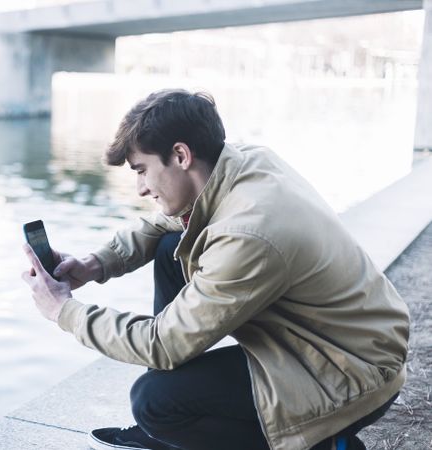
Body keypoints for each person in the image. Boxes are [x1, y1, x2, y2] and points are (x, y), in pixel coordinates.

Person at [21, 89, 409, 450]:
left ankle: (321, 442)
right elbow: (167, 224)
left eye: (141, 170)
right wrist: (95, 264)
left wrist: (64, 311)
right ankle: (181, 417)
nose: (140, 188)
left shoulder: (248, 234)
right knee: (173, 247)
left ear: (180, 155)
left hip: (349, 376)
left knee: (154, 402)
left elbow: (161, 343)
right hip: (332, 343)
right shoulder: (242, 164)